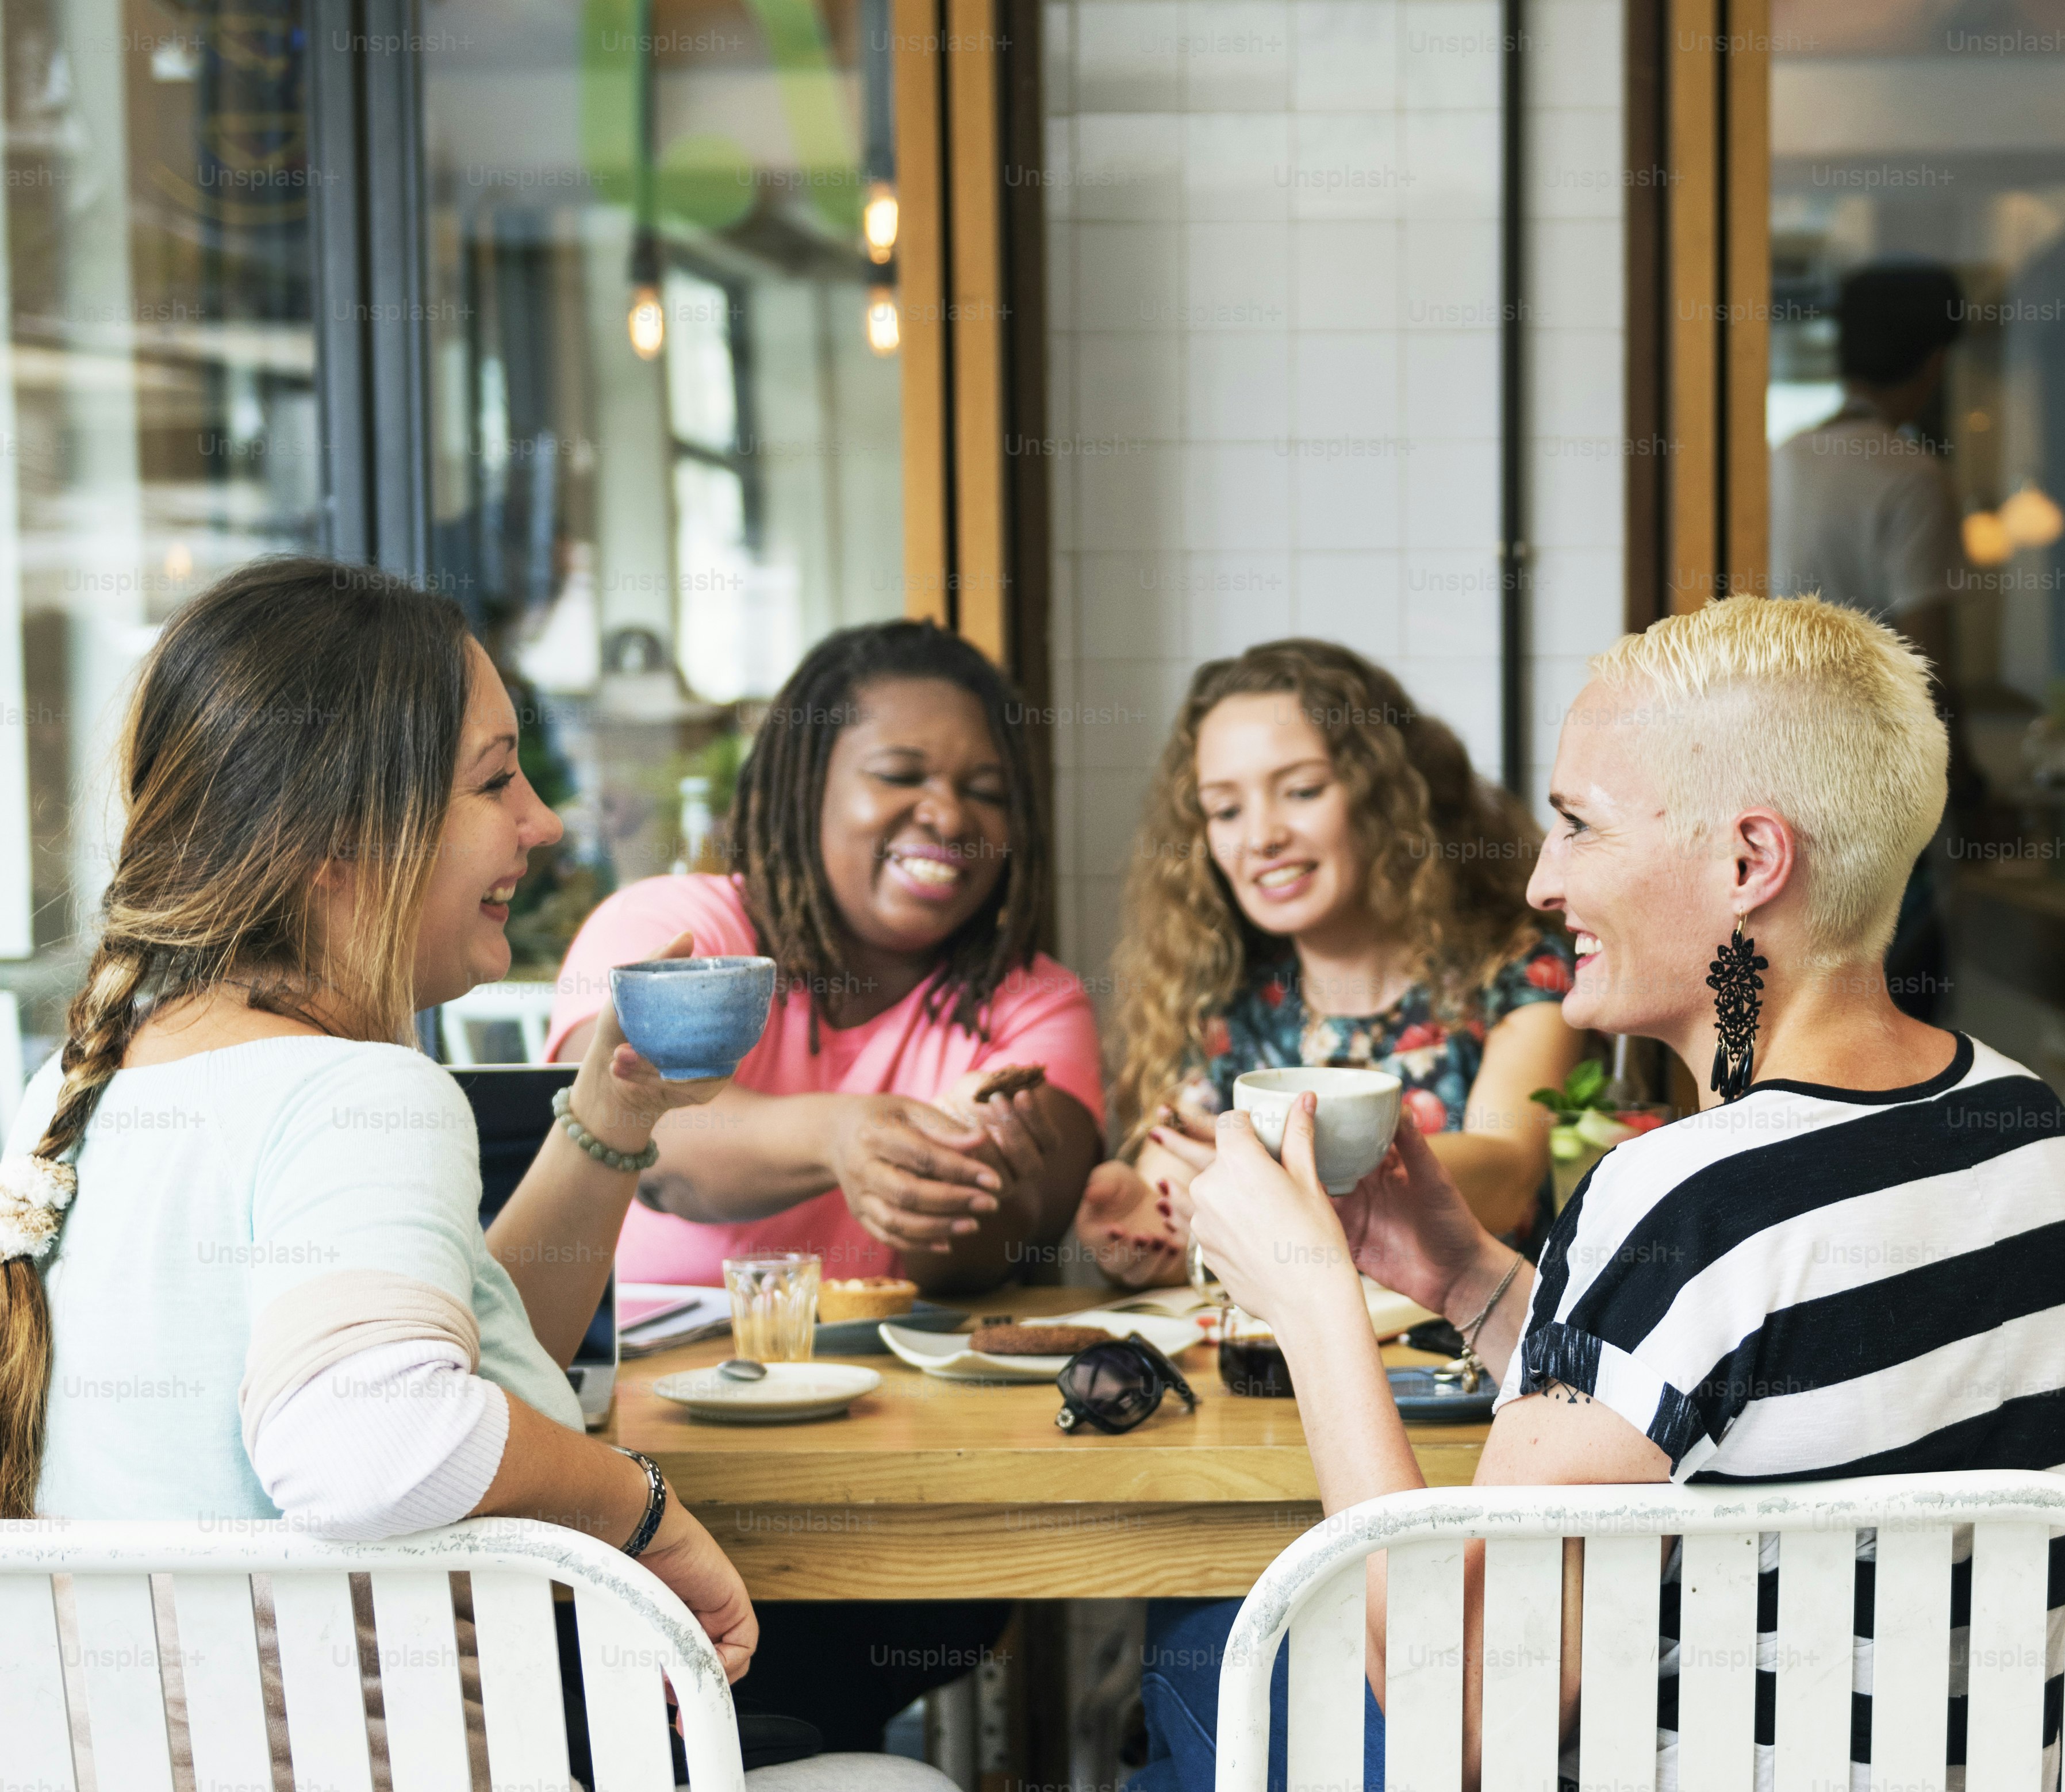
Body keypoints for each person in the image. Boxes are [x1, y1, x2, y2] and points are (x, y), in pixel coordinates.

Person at [0, 559, 949, 1791]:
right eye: (496, 779)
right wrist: (638, 1506)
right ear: (336, 839)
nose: (543, 822)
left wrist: (609, 1120)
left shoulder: (83, 1087)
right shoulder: (355, 1094)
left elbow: (439, 1373)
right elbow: (372, 1438)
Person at [1134, 594, 2065, 1792]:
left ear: (1748, 862)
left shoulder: (1679, 1198)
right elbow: (1716, 1409)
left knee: (1191, 1653)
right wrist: (1465, 1278)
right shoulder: (2023, 1123)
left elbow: (1455, 1715)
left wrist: (1310, 1298)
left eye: (1577, 825)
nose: (1538, 880)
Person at [544, 619, 1103, 1749]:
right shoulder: (675, 925)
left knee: (777, 1688)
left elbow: (1000, 1239)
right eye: (899, 774)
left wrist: (971, 1182)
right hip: (640, 1472)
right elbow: (629, 1132)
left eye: (985, 791)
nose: (947, 814)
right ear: (804, 785)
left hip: (898, 1499)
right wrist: (844, 1133)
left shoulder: (1032, 998)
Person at [1073, 639, 1584, 1289]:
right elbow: (1177, 1219)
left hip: (1477, 1347)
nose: (1261, 837)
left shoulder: (1518, 973)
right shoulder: (1224, 1001)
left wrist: (1293, 1174)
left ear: (1385, 795)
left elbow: (1506, 1173)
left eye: (1301, 791)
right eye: (1226, 810)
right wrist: (1136, 1235)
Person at [1771, 260, 1972, 1024]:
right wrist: (1970, 786)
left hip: (1779, 768)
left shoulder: (1782, 460)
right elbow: (1930, 660)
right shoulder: (1910, 475)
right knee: (1900, 999)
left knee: (1804, 998)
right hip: (1878, 786)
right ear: (1934, 362)